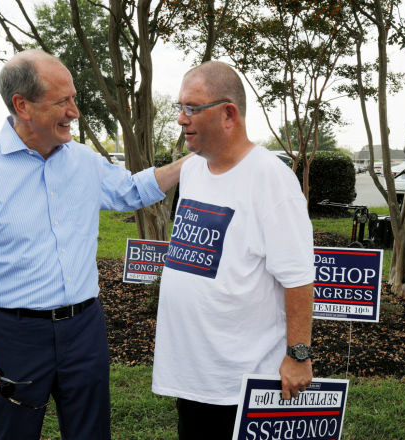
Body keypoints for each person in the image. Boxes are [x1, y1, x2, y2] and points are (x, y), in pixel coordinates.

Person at [0, 49, 187, 440]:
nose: (74, 111)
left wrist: (192, 160)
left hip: (85, 329)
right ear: (22, 106)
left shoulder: (83, 160)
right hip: (11, 335)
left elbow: (130, 190)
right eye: (62, 102)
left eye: (73, 98)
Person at [151, 61, 315, 439]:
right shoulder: (193, 170)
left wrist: (298, 356)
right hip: (193, 376)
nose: (181, 118)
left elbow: (298, 278)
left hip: (241, 381)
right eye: (180, 107)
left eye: (192, 108)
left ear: (228, 114)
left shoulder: (271, 179)